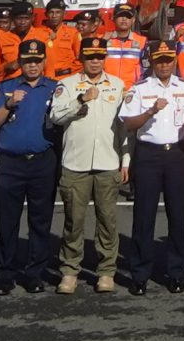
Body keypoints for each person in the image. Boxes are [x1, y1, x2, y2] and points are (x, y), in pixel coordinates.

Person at [47, 38, 128, 295]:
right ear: (82, 58)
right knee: (74, 221)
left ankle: (106, 271)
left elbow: (124, 128)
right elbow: (55, 117)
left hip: (107, 161)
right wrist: (80, 100)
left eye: (99, 56)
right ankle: (70, 271)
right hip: (76, 162)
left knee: (107, 221)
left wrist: (126, 160)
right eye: (90, 56)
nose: (95, 61)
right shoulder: (68, 85)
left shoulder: (117, 84)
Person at [0, 38, 62, 294]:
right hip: (11, 163)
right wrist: (8, 105)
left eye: (37, 61)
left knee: (40, 221)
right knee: (7, 221)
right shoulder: (5, 87)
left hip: (42, 162)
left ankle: (34, 273)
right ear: (20, 62)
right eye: (27, 61)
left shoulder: (54, 88)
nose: (32, 66)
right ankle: (5, 274)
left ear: (44, 62)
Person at [121, 41, 184, 295]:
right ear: (152, 62)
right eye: (159, 60)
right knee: (144, 217)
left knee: (178, 217)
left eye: (168, 59)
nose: (164, 64)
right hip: (149, 155)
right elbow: (129, 123)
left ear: (175, 60)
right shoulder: (141, 88)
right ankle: (140, 273)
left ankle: (176, 272)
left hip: (176, 154)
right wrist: (151, 111)